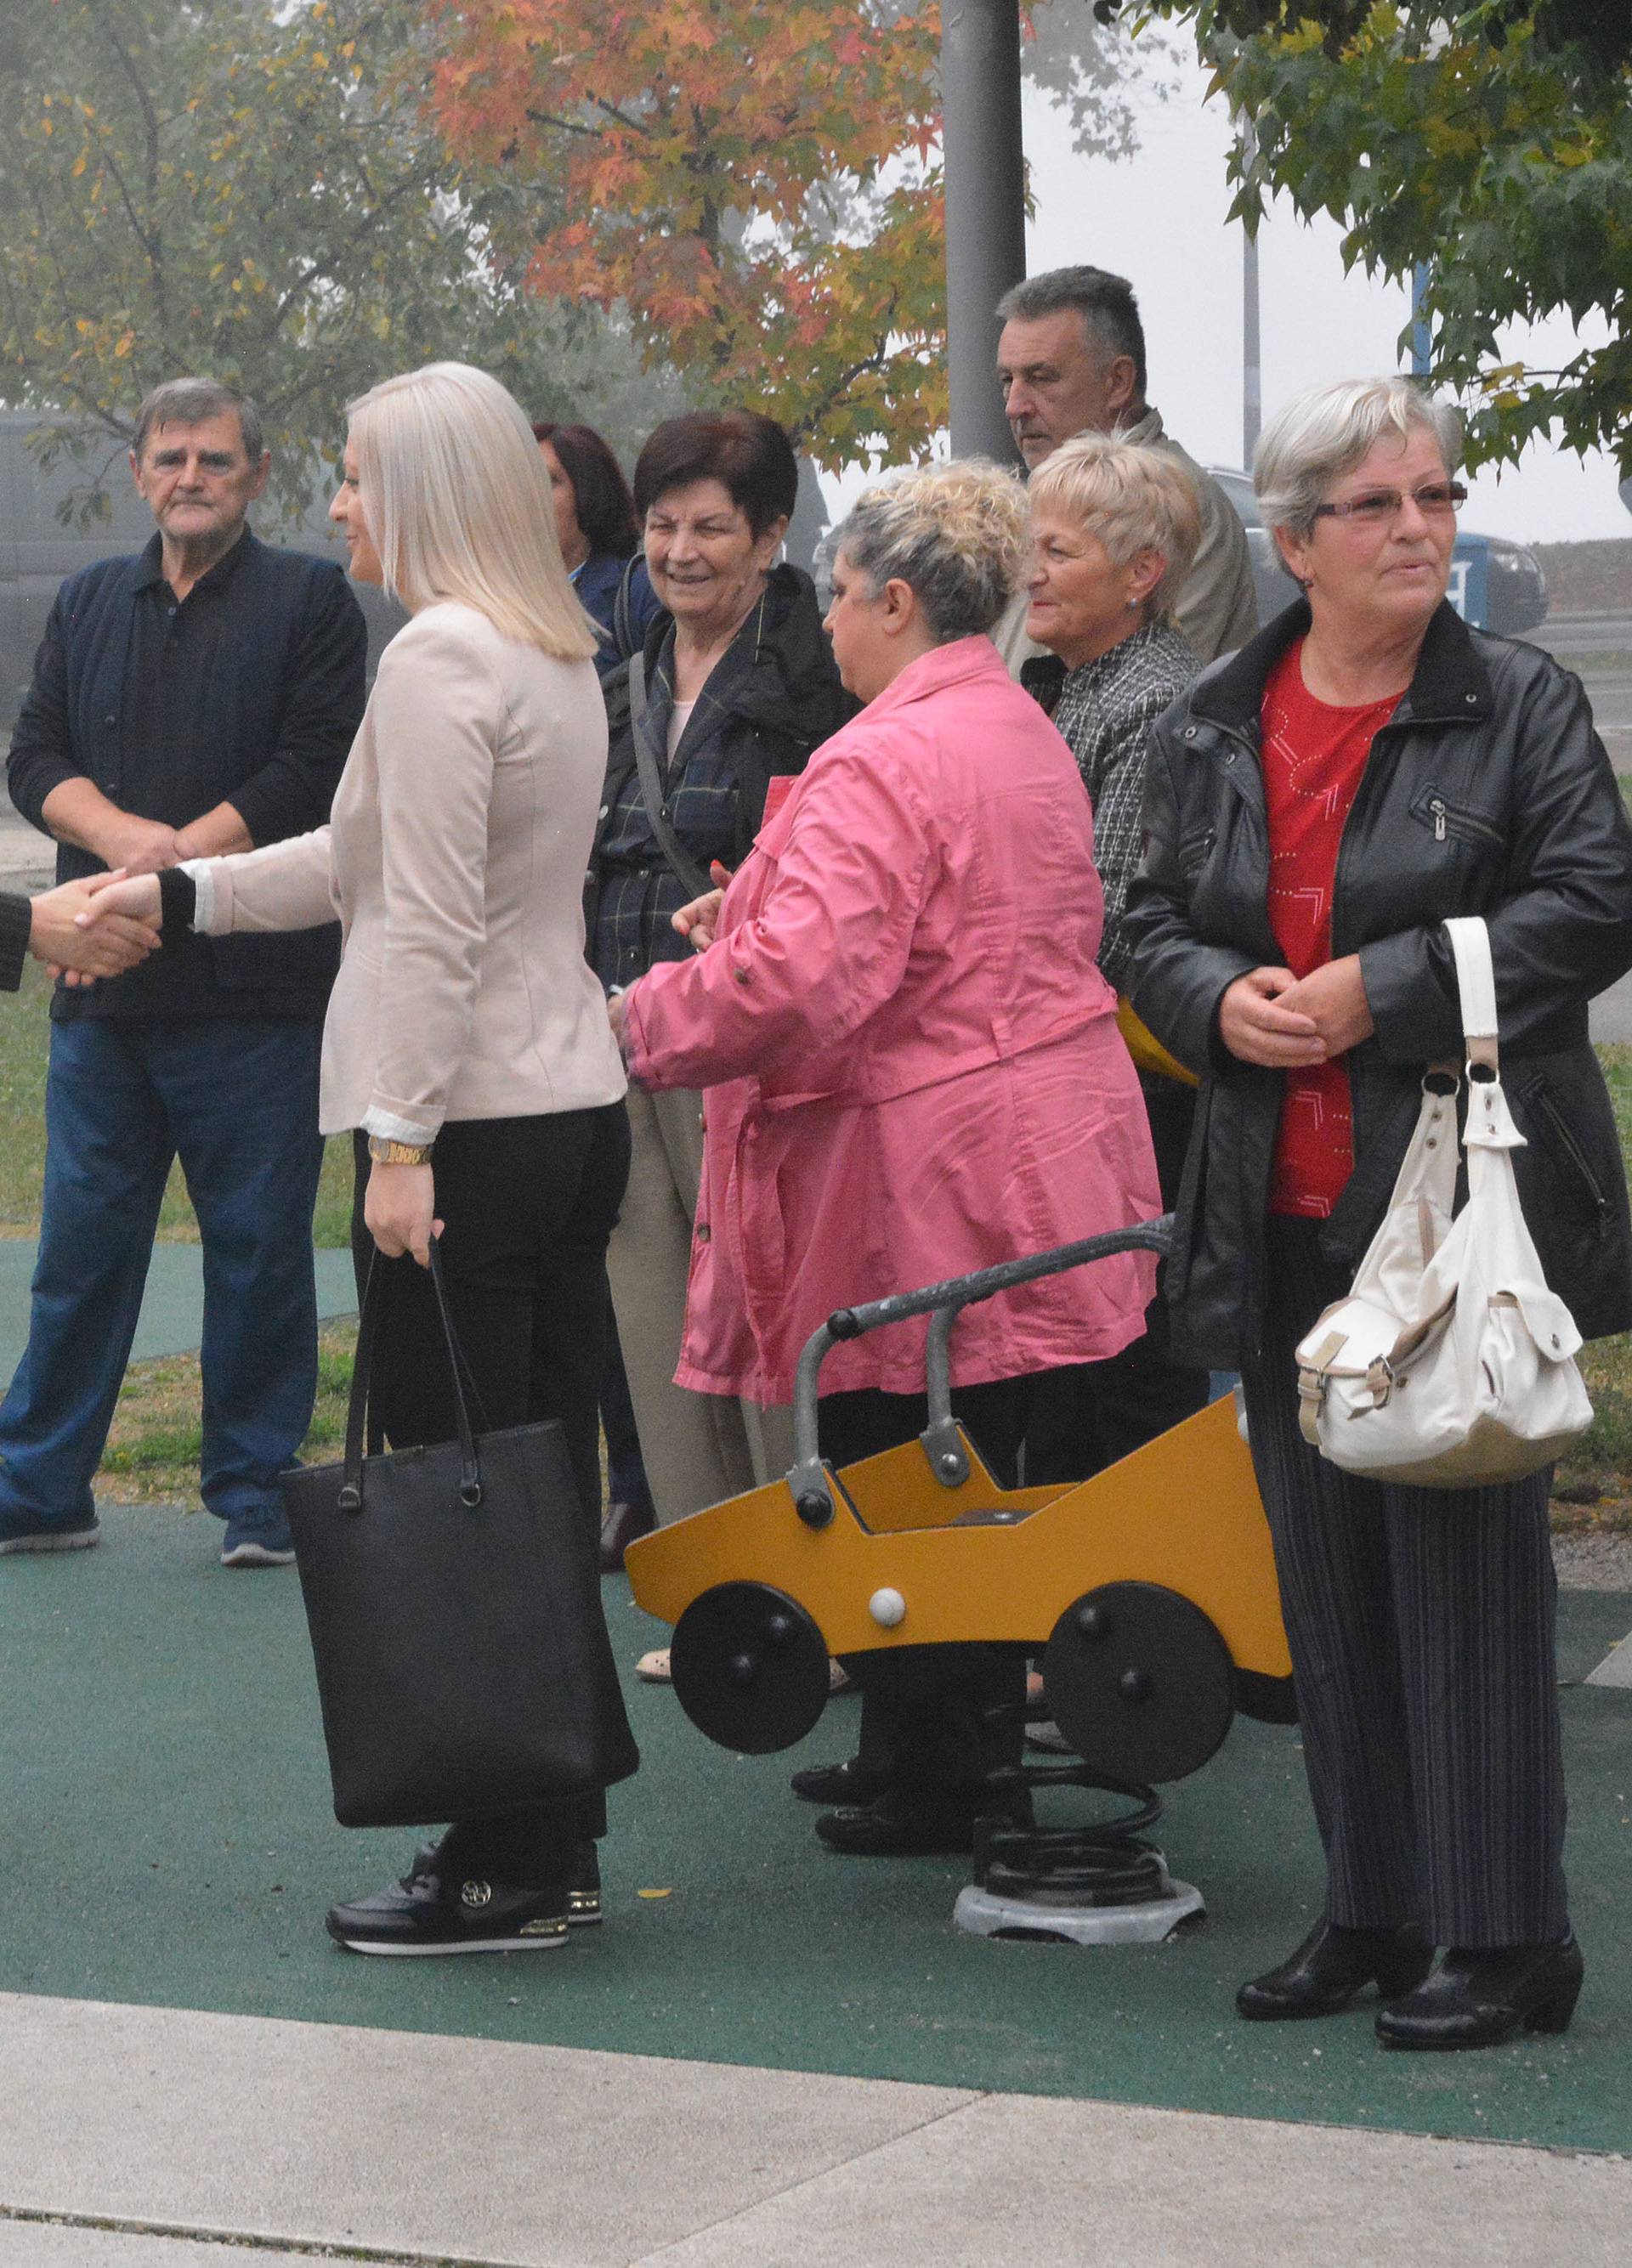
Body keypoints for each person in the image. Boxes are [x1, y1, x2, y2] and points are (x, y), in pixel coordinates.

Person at [87, 361, 632, 1957]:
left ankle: (503, 1854)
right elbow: (365, 863)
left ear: (423, 492)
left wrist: (397, 1147)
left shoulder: (441, 658)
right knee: (523, 1486)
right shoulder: (544, 646)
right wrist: (178, 897)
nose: (332, 503)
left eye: (351, 473)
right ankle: (547, 1834)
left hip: (470, 1123)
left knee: (459, 1494)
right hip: (559, 1104)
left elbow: (426, 931)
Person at [1124, 376, 1632, 2049]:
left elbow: (1594, 903)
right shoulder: (1214, 711)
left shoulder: (1521, 701)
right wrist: (1220, 997)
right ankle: (1376, 1902)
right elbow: (1136, 922)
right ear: (1293, 540)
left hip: (1459, 1213)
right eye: (1380, 505)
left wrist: (1381, 988)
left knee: (1471, 1572)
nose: (1423, 528)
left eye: (1437, 495)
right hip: (1279, 1200)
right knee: (1326, 1574)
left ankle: (1505, 1935)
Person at [611, 461, 1163, 1856]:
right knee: (962, 1458)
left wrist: (639, 1020)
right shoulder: (1008, 722)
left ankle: (942, 1763)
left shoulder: (885, 751)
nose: (827, 621)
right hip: (1027, 1142)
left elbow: (809, 984)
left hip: (923, 1171)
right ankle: (930, 1739)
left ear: (896, 599)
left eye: (841, 594)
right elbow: (942, 923)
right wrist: (764, 912)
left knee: (902, 1462)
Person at [2, 376, 365, 1567]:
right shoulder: (91, 598)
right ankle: (41, 1488)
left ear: (257, 475)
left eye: (215, 459)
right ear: (140, 473)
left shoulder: (315, 600)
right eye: (172, 458)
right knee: (80, 1257)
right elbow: (34, 755)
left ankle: (258, 1499)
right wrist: (120, 847)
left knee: (260, 1252)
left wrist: (172, 868)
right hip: (104, 988)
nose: (192, 477)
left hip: (256, 996)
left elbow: (311, 771)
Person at [589, 409, 852, 1599]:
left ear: (772, 536)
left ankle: (806, 1584)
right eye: (661, 525)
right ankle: (713, 1592)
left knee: (767, 1321)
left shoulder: (823, 679)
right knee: (653, 1320)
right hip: (624, 1035)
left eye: (710, 527)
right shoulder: (624, 668)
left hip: (754, 1052)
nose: (681, 551)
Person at [1017, 433, 1211, 1482]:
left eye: (1058, 551)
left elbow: (1110, 915)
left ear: (1142, 574)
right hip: (1078, 1071)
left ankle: (1154, 1615)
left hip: (1132, 1080)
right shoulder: (1065, 682)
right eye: (1027, 548)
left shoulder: (1156, 699)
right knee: (1066, 1352)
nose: (1030, 573)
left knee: (1130, 1353)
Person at [531, 418, 662, 1566]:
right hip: (563, 932)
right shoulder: (491, 614)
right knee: (604, 1253)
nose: (532, 500)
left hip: (631, 913)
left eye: (552, 482)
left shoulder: (625, 597)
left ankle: (647, 1484)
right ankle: (622, 1486)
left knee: (642, 1237)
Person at [993, 265, 1258, 670]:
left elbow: (1155, 697)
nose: (1015, 405)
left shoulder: (1174, 505)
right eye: (1007, 380)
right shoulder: (1047, 497)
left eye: (1041, 377)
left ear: (1118, 382)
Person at [532, 420, 662, 682]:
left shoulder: (638, 592)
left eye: (549, 480)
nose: (531, 495)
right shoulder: (494, 596)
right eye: (521, 481)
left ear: (588, 491)